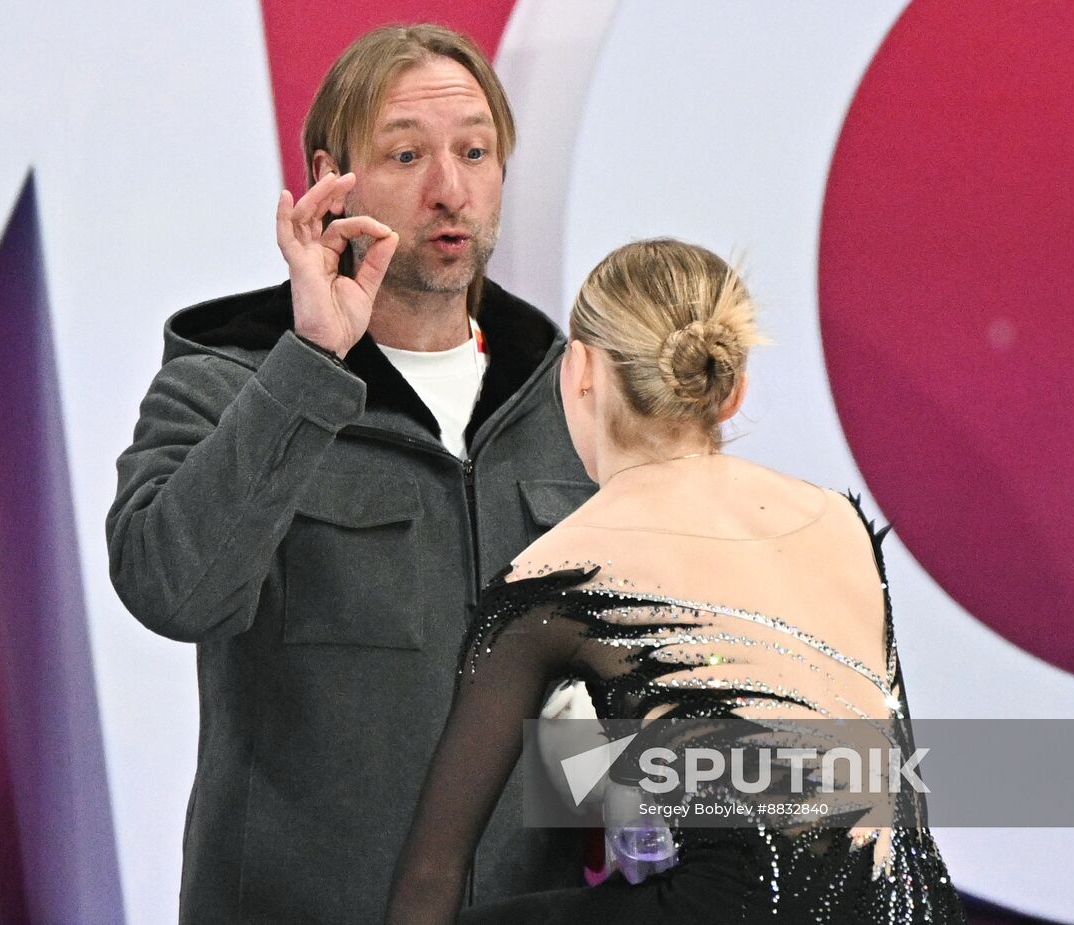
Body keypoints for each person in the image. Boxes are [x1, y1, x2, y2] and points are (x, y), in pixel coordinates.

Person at [106, 24, 596, 925]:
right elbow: (173, 591)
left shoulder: (579, 404)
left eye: (476, 152)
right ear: (333, 179)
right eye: (406, 154)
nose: (449, 189)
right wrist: (311, 362)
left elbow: (625, 701)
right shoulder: (225, 384)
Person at [385, 239, 968, 923]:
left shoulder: (558, 571)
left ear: (578, 372)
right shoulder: (841, 521)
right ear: (733, 387)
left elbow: (433, 869)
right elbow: (858, 785)